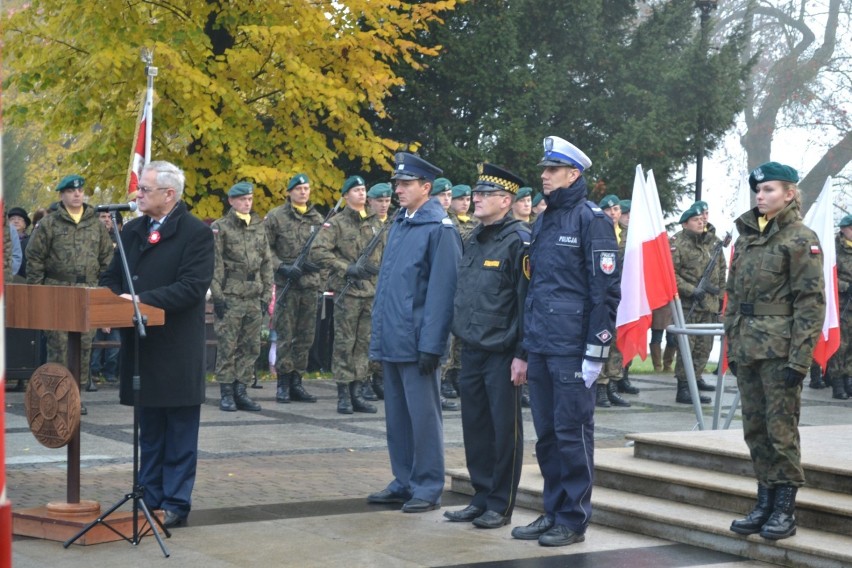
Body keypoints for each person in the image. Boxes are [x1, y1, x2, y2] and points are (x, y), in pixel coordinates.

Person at [512, 136, 619, 547]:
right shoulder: (544, 220)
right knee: (548, 436)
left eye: (552, 170)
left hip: (574, 348)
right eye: (544, 170)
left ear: (573, 174)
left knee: (572, 434)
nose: (544, 176)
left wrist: (597, 351)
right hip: (541, 345)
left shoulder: (592, 220)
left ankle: (573, 519)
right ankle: (552, 510)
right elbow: (535, 290)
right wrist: (524, 350)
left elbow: (605, 291)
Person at [100, 160, 214, 529]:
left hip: (175, 348)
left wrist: (139, 300)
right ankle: (148, 497)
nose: (138, 195)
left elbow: (191, 287)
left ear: (169, 194)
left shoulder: (195, 233)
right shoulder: (132, 230)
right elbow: (111, 276)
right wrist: (112, 299)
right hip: (142, 348)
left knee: (179, 430)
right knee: (149, 429)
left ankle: (176, 503)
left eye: (145, 189)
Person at [726, 162, 824, 541]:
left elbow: (810, 304)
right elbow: (733, 297)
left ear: (789, 194)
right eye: (758, 190)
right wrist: (732, 345)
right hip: (748, 348)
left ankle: (785, 509)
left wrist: (801, 359)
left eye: (769, 190)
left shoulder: (800, 238)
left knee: (781, 432)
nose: (760, 196)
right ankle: (764, 501)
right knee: (755, 429)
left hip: (780, 351)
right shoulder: (747, 238)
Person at [367, 152, 462, 513]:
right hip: (394, 337)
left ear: (426, 187)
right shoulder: (402, 224)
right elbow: (390, 287)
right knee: (398, 418)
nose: (399, 189)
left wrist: (433, 346)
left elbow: (442, 294)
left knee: (423, 418)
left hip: (419, 342)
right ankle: (404, 479)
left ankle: (427, 484)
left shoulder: (440, 229)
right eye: (397, 184)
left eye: (406, 184)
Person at [443, 163, 527, 529]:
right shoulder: (473, 239)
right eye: (475, 193)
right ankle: (480, 495)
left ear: (505, 200)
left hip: (503, 353)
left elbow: (527, 304)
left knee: (503, 429)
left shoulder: (519, 241)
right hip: (472, 348)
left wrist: (522, 354)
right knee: (475, 426)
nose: (475, 199)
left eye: (484, 194)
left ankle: (500, 502)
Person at [26, 174, 114, 415]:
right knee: (59, 346)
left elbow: (107, 258)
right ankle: (56, 397)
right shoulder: (50, 224)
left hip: (87, 291)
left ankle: (76, 396)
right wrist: (38, 293)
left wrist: (105, 292)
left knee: (85, 346)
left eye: (80, 190)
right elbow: (34, 258)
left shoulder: (95, 224)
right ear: (62, 195)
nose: (77, 194)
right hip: (58, 291)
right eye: (71, 191)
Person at [311, 175, 385, 414]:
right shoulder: (337, 223)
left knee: (364, 343)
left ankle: (358, 391)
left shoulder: (377, 223)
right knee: (345, 343)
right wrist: (346, 268)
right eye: (355, 190)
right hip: (348, 292)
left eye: (363, 189)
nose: (361, 193)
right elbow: (318, 252)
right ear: (345, 196)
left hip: (371, 292)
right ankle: (343, 393)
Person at [211, 181, 273, 412]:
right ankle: (226, 391)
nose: (247, 203)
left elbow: (266, 262)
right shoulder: (221, 227)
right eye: (242, 199)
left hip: (254, 294)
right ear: (231, 201)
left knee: (251, 346)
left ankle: (241, 390)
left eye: (250, 199)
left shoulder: (258, 227)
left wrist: (267, 293)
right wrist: (217, 297)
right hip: (231, 294)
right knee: (228, 345)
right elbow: (215, 265)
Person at [265, 173, 320, 403]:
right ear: (289, 192)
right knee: (285, 335)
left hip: (308, 285)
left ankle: (297, 381)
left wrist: (312, 264)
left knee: (305, 336)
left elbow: (324, 250)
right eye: (298, 189)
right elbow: (265, 249)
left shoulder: (317, 218)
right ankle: (283, 383)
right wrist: (283, 267)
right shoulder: (276, 217)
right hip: (287, 284)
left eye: (306, 188)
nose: (303, 192)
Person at [669, 205, 725, 404]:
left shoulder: (714, 243)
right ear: (685, 224)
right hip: (687, 305)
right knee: (687, 347)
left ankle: (695, 380)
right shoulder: (677, 243)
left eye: (702, 219)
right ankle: (683, 388)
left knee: (704, 347)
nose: (701, 222)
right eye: (695, 219)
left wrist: (721, 299)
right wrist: (691, 290)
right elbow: (670, 274)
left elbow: (721, 270)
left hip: (709, 304)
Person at [594, 193, 633, 407]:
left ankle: (613, 384)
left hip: (624, 296)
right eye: (608, 210)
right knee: (602, 339)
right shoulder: (597, 232)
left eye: (616, 209)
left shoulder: (630, 236)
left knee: (617, 342)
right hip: (603, 295)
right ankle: (600, 387)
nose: (613, 213)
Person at [429, 176, 461, 412]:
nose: (447, 199)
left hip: (453, 291)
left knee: (446, 345)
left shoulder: (450, 222)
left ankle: (439, 388)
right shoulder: (434, 223)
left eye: (449, 195)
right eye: (443, 195)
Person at [365, 181, 394, 400]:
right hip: (367, 287)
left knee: (386, 335)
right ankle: (364, 380)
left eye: (387, 200)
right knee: (367, 336)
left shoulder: (396, 223)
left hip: (389, 290)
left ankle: (380, 379)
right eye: (380, 201)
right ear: (370, 202)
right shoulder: (364, 224)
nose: (384, 205)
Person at [89, 211, 123, 386]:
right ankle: (92, 372)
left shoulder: (120, 240)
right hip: (94, 293)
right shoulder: (91, 239)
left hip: (114, 295)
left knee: (115, 340)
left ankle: (110, 372)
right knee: (94, 340)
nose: (106, 220)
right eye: (103, 217)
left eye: (109, 217)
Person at [828, 214, 852, 400]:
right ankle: (837, 383)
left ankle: (848, 380)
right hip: (841, 305)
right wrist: (846, 286)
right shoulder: (833, 248)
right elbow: (827, 277)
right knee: (840, 345)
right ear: (843, 229)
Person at [8, 206, 30, 278]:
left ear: (25, 225)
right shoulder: (5, 240)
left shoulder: (31, 241)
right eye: (12, 219)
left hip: (24, 278)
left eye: (20, 219)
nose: (16, 221)